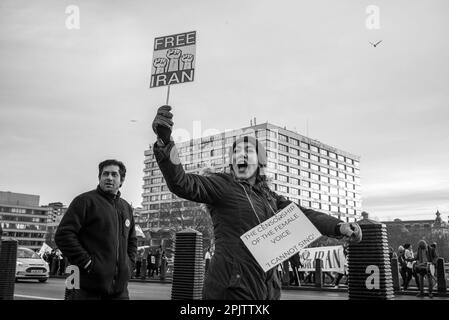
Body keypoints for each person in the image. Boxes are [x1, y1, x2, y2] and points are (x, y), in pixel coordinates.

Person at [151, 105, 363, 300]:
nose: (240, 154)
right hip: (231, 288)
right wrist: (165, 143)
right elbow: (181, 183)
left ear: (260, 162)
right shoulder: (222, 185)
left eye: (248, 151)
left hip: (266, 288)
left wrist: (338, 226)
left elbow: (304, 216)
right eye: (236, 152)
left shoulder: (270, 197)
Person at [55, 159, 137, 300]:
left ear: (122, 180)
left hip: (120, 291)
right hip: (87, 288)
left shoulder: (126, 208)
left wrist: (129, 265)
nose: (109, 178)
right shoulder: (84, 201)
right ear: (99, 177)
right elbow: (64, 235)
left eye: (114, 174)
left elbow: (132, 240)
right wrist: (88, 263)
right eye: (105, 174)